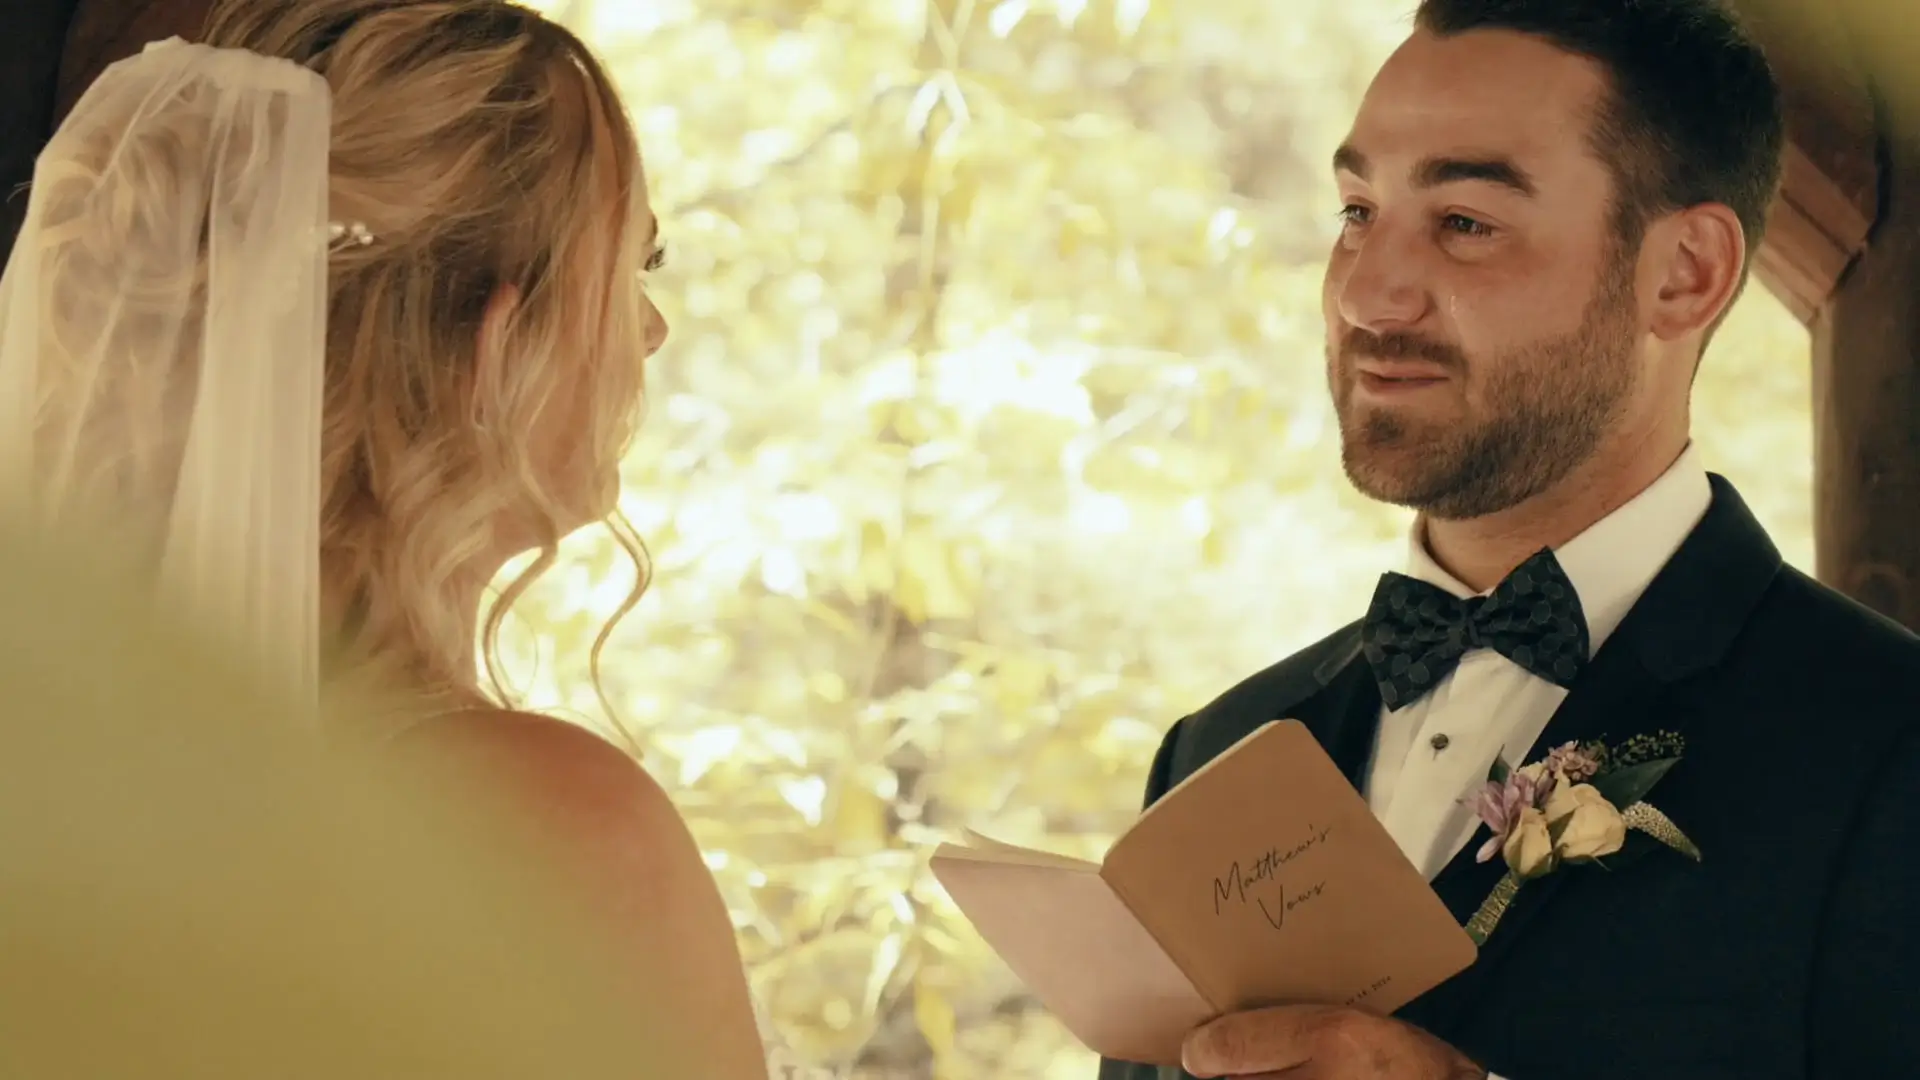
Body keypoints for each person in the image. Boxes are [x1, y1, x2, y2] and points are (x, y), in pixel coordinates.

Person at [1098, 2, 1920, 1078]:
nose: (1366, 292)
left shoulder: (1889, 747)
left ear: (1685, 274)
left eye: (1464, 222)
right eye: (1356, 211)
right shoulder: (1213, 755)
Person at [0, 2, 788, 1076]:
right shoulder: (545, 828)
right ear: (493, 342)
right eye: (630, 270)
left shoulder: (58, 775)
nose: (649, 332)